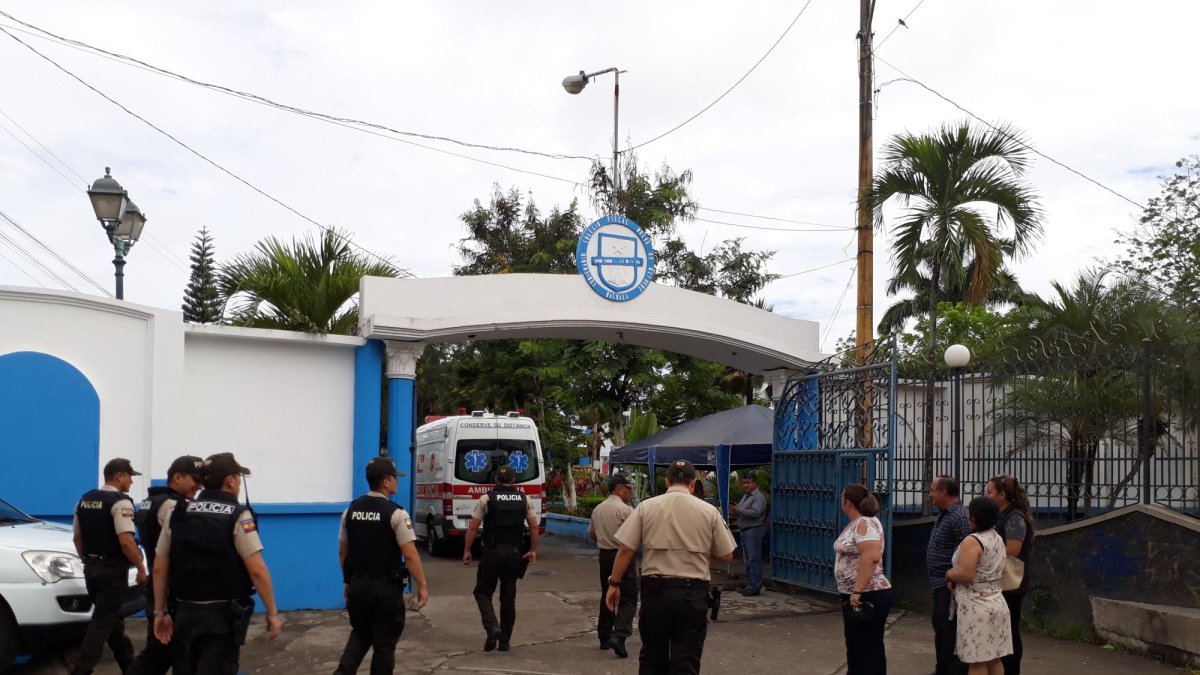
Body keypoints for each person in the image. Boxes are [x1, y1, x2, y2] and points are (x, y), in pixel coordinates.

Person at [152, 452, 283, 674]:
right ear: (230, 480)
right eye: (238, 477)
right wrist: (272, 612)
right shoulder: (237, 515)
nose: (240, 483)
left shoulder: (178, 512)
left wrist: (160, 613)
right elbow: (257, 570)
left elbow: (159, 568)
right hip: (221, 619)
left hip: (184, 613)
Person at [605, 459, 737, 675]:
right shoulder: (709, 511)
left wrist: (614, 583)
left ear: (667, 482)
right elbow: (727, 555)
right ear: (693, 484)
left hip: (656, 593)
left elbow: (626, 549)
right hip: (692, 595)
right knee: (686, 661)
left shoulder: (646, 507)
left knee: (651, 658)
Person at [334, 456, 430, 675]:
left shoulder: (350, 511)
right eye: (394, 478)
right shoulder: (396, 513)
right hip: (385, 589)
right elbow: (411, 554)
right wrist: (422, 585)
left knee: (360, 634)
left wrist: (348, 581)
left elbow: (342, 552)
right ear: (385, 482)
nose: (397, 481)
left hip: (358, 585)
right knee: (384, 644)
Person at [127, 455, 204, 675]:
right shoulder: (172, 506)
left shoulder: (151, 500)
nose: (199, 486)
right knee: (172, 651)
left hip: (158, 584)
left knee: (160, 651)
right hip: (169, 588)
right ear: (177, 477)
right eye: (195, 480)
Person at [69, 458, 147, 675]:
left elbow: (77, 537)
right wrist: (141, 568)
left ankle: (129, 666)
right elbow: (126, 542)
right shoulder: (120, 502)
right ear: (119, 476)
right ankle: (81, 669)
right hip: (112, 571)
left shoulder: (84, 500)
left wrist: (88, 561)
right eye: (130, 476)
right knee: (103, 621)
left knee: (112, 620)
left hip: (92, 568)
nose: (131, 481)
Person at [463, 465, 538, 652]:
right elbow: (534, 527)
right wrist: (533, 550)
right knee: (508, 597)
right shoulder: (524, 499)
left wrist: (467, 550)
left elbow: (473, 527)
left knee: (482, 592)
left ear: (496, 480)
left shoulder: (487, 498)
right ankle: (504, 641)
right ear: (514, 481)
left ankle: (492, 628)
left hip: (491, 552)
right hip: (514, 553)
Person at [945, 497, 1013, 675]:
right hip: (997, 603)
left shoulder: (973, 541)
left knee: (976, 662)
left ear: (974, 517)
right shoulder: (997, 537)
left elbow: (966, 575)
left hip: (976, 608)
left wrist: (949, 574)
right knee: (994, 659)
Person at [834, 483, 893, 675]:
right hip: (857, 593)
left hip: (867, 593)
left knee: (868, 647)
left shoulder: (865, 523)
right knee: (856, 645)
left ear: (847, 503)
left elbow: (871, 557)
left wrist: (857, 590)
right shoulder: (859, 523)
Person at [986, 475, 1034, 675]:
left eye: (989, 492)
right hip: (998, 583)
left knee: (1010, 632)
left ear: (1002, 495)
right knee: (1000, 632)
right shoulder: (1000, 515)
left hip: (1011, 585)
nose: (985, 496)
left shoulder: (1014, 517)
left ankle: (1011, 670)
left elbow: (1012, 549)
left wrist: (984, 546)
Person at [588, 473, 637, 658]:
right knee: (629, 597)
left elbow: (592, 534)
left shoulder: (598, 509)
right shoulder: (626, 511)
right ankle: (620, 635)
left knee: (607, 594)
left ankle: (604, 636)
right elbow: (635, 536)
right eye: (628, 488)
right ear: (618, 489)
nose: (630, 492)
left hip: (605, 556)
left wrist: (605, 539)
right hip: (622, 556)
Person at [927, 475, 970, 675]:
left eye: (933, 490)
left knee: (949, 632)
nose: (930, 495)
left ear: (943, 492)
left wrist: (953, 576)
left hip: (950, 586)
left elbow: (966, 550)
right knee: (940, 629)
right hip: (939, 584)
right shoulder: (945, 514)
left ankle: (951, 670)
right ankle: (941, 668)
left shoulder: (959, 516)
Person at [730, 472, 767, 596]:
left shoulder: (759, 497)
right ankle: (750, 584)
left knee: (753, 560)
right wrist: (736, 510)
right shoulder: (746, 496)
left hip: (753, 530)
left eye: (748, 482)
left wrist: (739, 510)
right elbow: (742, 510)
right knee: (747, 560)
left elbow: (756, 512)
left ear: (755, 483)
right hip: (745, 531)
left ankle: (755, 586)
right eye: (744, 483)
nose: (746, 485)